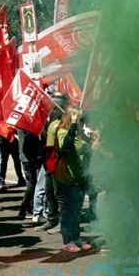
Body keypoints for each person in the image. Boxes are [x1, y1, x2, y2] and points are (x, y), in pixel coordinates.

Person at [53, 108, 91, 253]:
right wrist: (73, 126)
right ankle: (68, 241)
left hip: (79, 178)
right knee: (67, 211)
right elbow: (66, 147)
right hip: (66, 179)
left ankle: (76, 238)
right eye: (75, 116)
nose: (79, 118)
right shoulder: (62, 132)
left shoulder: (78, 135)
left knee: (76, 211)